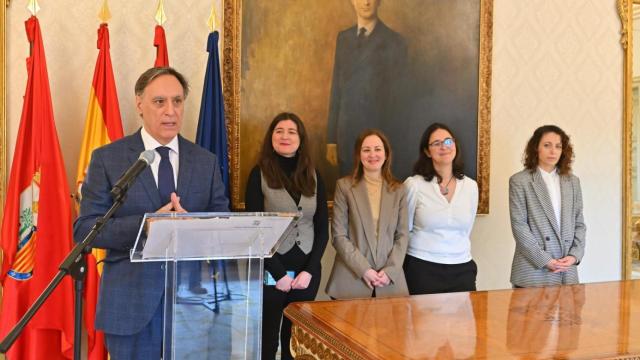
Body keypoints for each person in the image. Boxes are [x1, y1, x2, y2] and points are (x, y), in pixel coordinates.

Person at [73, 67, 229, 359]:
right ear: (140, 104)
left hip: (191, 307)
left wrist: (193, 225)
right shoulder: (108, 158)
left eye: (177, 101)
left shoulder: (205, 162)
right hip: (130, 307)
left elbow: (222, 226)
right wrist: (146, 225)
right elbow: (85, 229)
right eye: (160, 102)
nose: (170, 111)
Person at [244, 112, 329, 360]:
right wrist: (277, 273)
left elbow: (322, 227)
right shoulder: (258, 174)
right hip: (272, 271)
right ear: (271, 137)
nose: (285, 136)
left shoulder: (314, 175)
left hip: (306, 272)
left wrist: (310, 270)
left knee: (294, 340)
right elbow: (254, 226)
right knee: (267, 340)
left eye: (291, 132)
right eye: (279, 131)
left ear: (300, 139)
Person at [326, 0, 408, 177]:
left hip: (379, 139)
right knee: (348, 197)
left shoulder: (395, 42)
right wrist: (331, 140)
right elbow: (337, 90)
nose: (366, 2)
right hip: (346, 137)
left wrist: (389, 145)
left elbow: (399, 102)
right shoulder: (343, 38)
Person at [326, 129, 409, 299]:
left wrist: (390, 272)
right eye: (366, 150)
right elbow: (338, 236)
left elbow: (402, 236)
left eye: (378, 149)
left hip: (389, 282)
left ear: (386, 154)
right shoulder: (344, 187)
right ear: (359, 155)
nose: (372, 154)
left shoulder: (399, 190)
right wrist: (364, 270)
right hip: (351, 280)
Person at [403, 123, 479, 295]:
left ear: (455, 145)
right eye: (436, 143)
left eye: (448, 141)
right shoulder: (414, 185)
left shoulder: (470, 186)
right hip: (422, 267)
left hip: (462, 268)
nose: (444, 147)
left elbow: (467, 229)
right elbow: (404, 229)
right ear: (427, 151)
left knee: (463, 322)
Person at [509, 125, 586, 288]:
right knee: (531, 315)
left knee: (568, 314)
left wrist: (574, 256)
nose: (553, 151)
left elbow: (579, 223)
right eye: (547, 145)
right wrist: (545, 260)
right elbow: (519, 226)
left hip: (567, 269)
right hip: (533, 271)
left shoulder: (573, 182)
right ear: (536, 148)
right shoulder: (520, 181)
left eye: (558, 146)